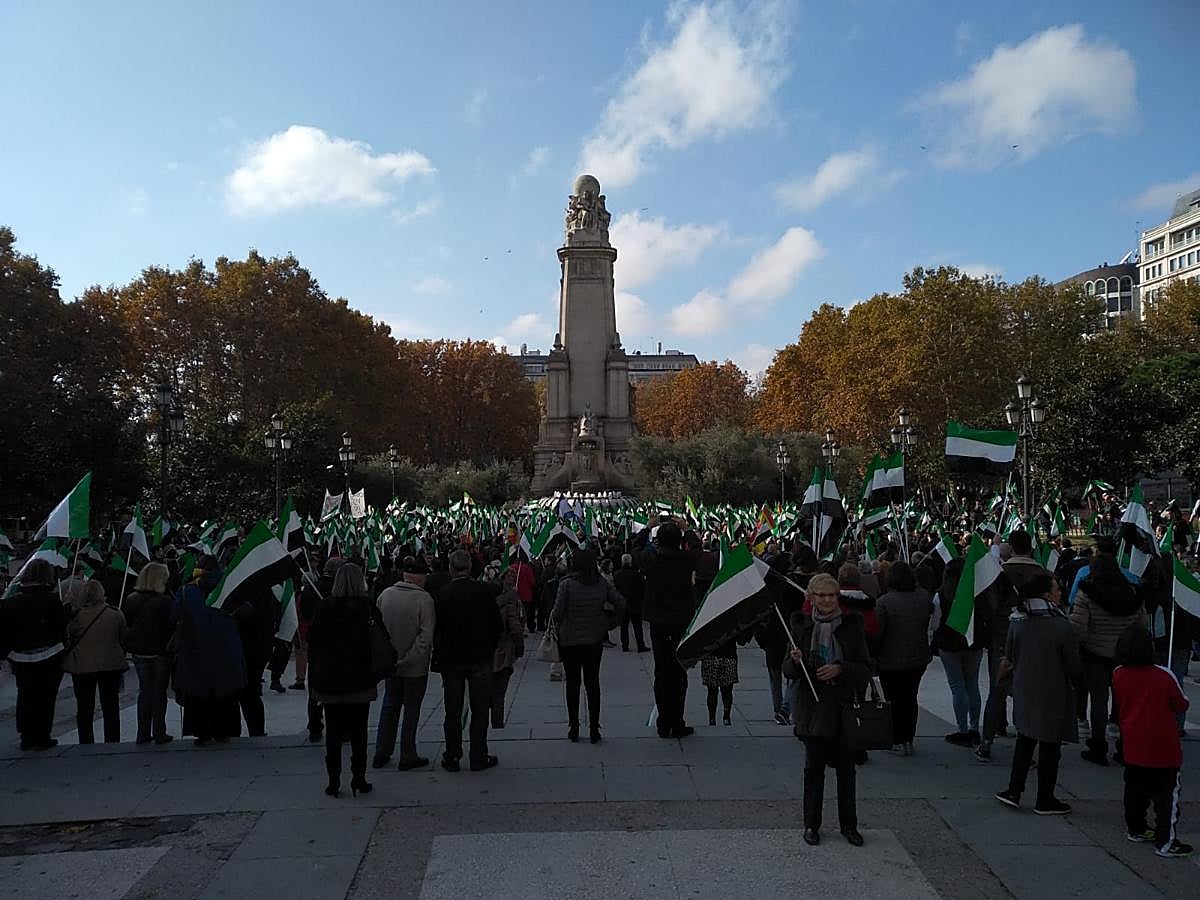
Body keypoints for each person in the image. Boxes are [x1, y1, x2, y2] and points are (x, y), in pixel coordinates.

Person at [784, 573, 872, 847]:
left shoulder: (851, 626)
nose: (826, 600)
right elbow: (788, 672)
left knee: (846, 771)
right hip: (812, 709)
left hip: (843, 709)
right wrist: (795, 661)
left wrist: (841, 669)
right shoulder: (800, 627)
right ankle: (811, 824)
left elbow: (866, 668)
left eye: (831, 595)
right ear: (811, 597)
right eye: (821, 595)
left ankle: (849, 826)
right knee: (813, 770)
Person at [996, 573, 1082, 815]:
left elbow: (1009, 656)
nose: (1060, 593)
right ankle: (1045, 798)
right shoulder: (1061, 625)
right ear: (1046, 594)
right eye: (1056, 589)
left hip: (1025, 687)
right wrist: (1078, 684)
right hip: (1053, 690)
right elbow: (1073, 664)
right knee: (1050, 746)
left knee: (1025, 740)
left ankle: (1014, 790)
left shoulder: (1017, 621)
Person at [1111, 625, 1192, 858]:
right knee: (1166, 796)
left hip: (1133, 743)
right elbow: (1181, 704)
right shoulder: (1164, 675)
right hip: (1162, 747)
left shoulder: (1118, 673)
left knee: (1135, 790)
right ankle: (1166, 840)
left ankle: (1136, 828)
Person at [308, 563, 377, 797]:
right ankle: (359, 778)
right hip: (359, 677)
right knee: (359, 732)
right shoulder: (367, 608)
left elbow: (312, 640)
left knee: (333, 732)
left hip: (331, 678)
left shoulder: (323, 608)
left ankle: (334, 781)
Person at [1070, 552, 1146, 766]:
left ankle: (1098, 745)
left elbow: (1078, 628)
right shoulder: (1133, 593)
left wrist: (1078, 645)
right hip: (1125, 654)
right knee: (1124, 702)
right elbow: (1142, 626)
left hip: (1095, 653)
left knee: (1098, 700)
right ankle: (1124, 745)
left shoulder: (1087, 592)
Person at [434, 549, 503, 771]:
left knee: (453, 711)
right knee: (480, 710)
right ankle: (478, 755)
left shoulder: (443, 594)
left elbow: (437, 629)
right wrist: (489, 648)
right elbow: (497, 625)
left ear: (451, 568)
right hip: (479, 658)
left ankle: (452, 755)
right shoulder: (483, 592)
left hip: (452, 660)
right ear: (470, 568)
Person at [634, 520, 700, 738]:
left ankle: (664, 723)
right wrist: (687, 529)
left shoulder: (650, 560)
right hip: (680, 620)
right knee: (679, 673)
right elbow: (698, 548)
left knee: (662, 672)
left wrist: (646, 527)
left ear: (658, 541)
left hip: (658, 621)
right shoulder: (686, 560)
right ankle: (677, 722)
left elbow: (635, 547)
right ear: (680, 541)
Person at [174, 556, 247, 746]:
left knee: (199, 693)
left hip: (195, 648)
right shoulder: (229, 588)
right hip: (226, 648)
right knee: (225, 693)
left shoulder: (187, 591)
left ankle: (202, 732)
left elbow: (175, 615)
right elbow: (247, 612)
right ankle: (224, 731)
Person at [555, 548, 625, 743]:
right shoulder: (601, 583)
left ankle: (574, 727)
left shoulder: (566, 585)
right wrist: (610, 623)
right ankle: (594, 728)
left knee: (573, 683)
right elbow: (621, 602)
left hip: (570, 640)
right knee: (592, 683)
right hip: (594, 639)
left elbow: (557, 613)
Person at [373, 556, 436, 770]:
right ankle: (407, 754)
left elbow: (377, 631)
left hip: (390, 663)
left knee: (389, 706)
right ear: (419, 578)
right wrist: (409, 659)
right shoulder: (424, 600)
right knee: (411, 709)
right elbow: (425, 638)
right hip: (414, 667)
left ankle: (382, 750)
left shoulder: (385, 595)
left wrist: (389, 658)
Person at [0, 560, 69, 751]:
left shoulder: (10, 603)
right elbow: (61, 625)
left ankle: (26, 735)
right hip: (50, 653)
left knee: (25, 695)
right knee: (46, 696)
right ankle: (42, 735)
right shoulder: (51, 600)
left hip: (20, 655)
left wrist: (7, 653)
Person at [872, 561, 933, 756]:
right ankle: (908, 738)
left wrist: (874, 652)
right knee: (910, 698)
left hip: (890, 659)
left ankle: (898, 739)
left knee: (894, 700)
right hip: (918, 658)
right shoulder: (924, 597)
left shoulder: (885, 602)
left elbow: (878, 632)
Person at [62, 579, 129, 744]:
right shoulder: (115, 614)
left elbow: (69, 637)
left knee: (84, 707)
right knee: (110, 705)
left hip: (83, 665)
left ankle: (85, 740)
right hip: (110, 664)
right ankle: (112, 739)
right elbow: (123, 637)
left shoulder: (77, 616)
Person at [932, 558, 988, 747]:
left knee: (957, 686)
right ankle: (974, 728)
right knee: (972, 684)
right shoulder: (977, 593)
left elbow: (935, 623)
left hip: (949, 644)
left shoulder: (941, 595)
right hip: (974, 643)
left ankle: (962, 729)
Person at [123, 562, 176, 744]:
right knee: (159, 691)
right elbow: (170, 626)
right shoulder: (165, 601)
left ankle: (142, 732)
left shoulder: (131, 599)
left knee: (145, 690)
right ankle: (159, 731)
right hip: (160, 651)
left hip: (139, 651)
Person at [230, 586, 278, 737]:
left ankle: (249, 730)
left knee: (246, 692)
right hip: (259, 647)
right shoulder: (267, 593)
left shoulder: (255, 595)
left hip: (250, 648)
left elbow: (246, 616)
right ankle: (255, 730)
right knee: (249, 692)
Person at [492, 565, 526, 728]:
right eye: (510, 575)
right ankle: (497, 720)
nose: (512, 578)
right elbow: (515, 626)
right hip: (504, 647)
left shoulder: (489, 599)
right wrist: (519, 647)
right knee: (500, 688)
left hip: (488, 649)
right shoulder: (511, 600)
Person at [613, 553, 648, 652]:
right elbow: (643, 588)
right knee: (637, 626)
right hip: (635, 603)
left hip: (623, 603)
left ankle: (625, 645)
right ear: (630, 562)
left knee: (624, 626)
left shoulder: (617, 574)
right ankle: (640, 645)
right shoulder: (637, 575)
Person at [702, 637, 738, 726]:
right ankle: (726, 717)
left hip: (710, 655)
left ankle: (712, 718)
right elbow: (742, 640)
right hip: (729, 654)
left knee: (712, 691)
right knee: (727, 690)